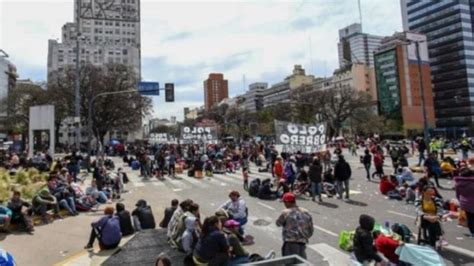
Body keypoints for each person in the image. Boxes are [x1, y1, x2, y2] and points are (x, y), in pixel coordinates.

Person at [276, 192, 313, 259]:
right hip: (302, 243)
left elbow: (278, 223)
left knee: (290, 262)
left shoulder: (286, 212)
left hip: (290, 243)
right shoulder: (306, 212)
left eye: (284, 202)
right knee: (301, 262)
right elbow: (311, 230)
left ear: (287, 202)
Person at [454, 168, 474, 238]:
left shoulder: (458, 183)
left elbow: (457, 195)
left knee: (470, 218)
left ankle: (472, 232)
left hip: (464, 203)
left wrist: (461, 201)